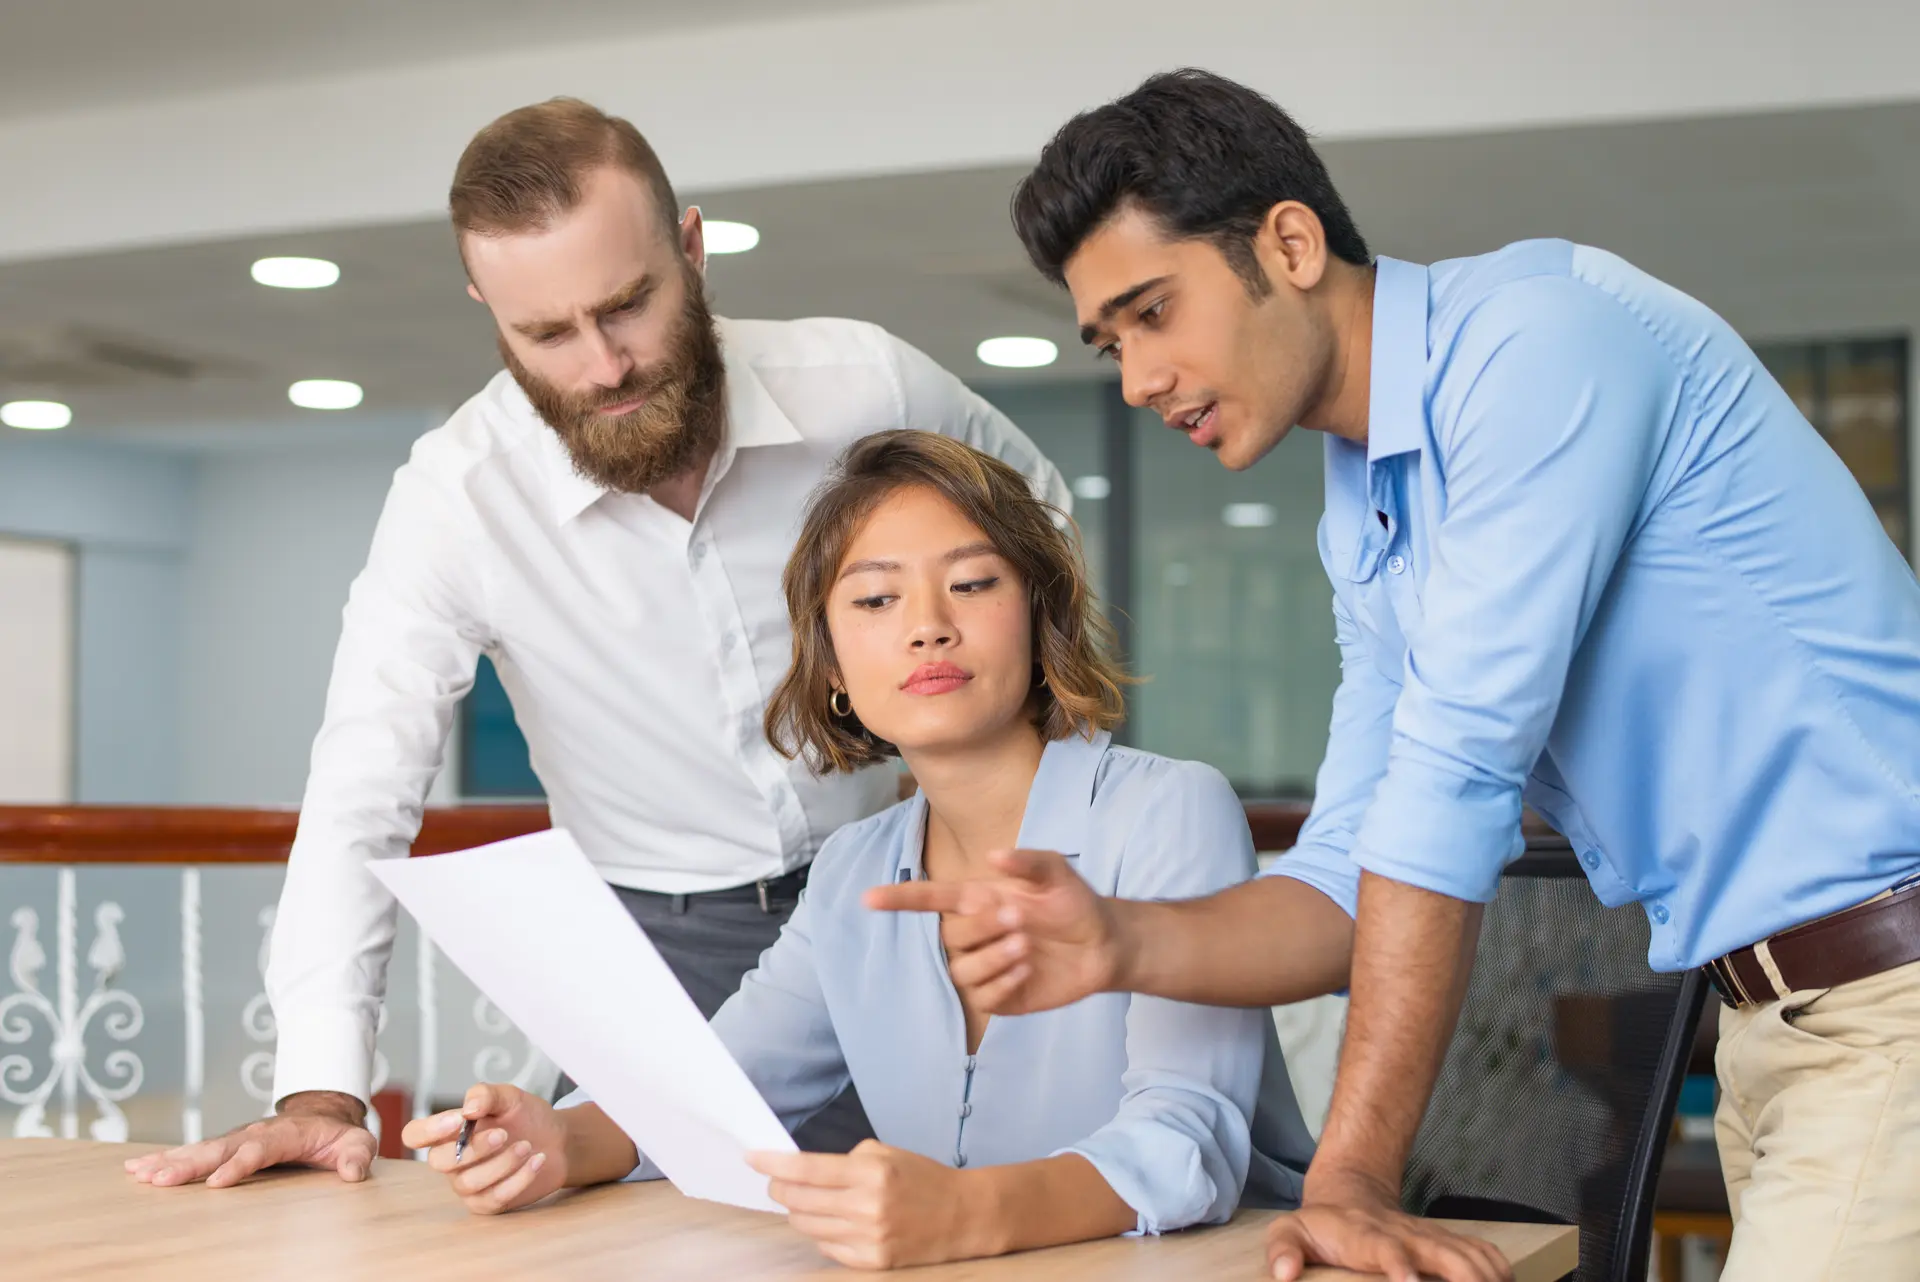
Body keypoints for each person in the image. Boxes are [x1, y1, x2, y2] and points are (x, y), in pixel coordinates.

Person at [869, 69, 1920, 1282]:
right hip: (1771, 1021)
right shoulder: (1369, 503)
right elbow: (1348, 871)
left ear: (1292, 242)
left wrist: (1354, 1176)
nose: (1137, 379)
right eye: (1111, 342)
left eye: (1154, 313)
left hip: (1890, 993)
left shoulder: (1539, 345)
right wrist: (1118, 937)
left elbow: (1454, 782)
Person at [123, 98, 1064, 1191]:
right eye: (546, 333)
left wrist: (1019, 786)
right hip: (651, 945)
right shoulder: (458, 497)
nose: (605, 366)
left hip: (902, 896)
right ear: (488, 308)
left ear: (692, 251)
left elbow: (1036, 515)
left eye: (628, 306)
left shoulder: (863, 385)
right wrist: (323, 1086)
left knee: (971, 1214)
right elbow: (359, 786)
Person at [399, 430, 1326, 1269]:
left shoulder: (1169, 811)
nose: (928, 625)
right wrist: (557, 1142)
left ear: (1040, 620)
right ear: (834, 668)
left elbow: (1188, 1142)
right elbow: (718, 1095)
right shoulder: (854, 869)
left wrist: (965, 1212)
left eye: (972, 583)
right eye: (877, 598)